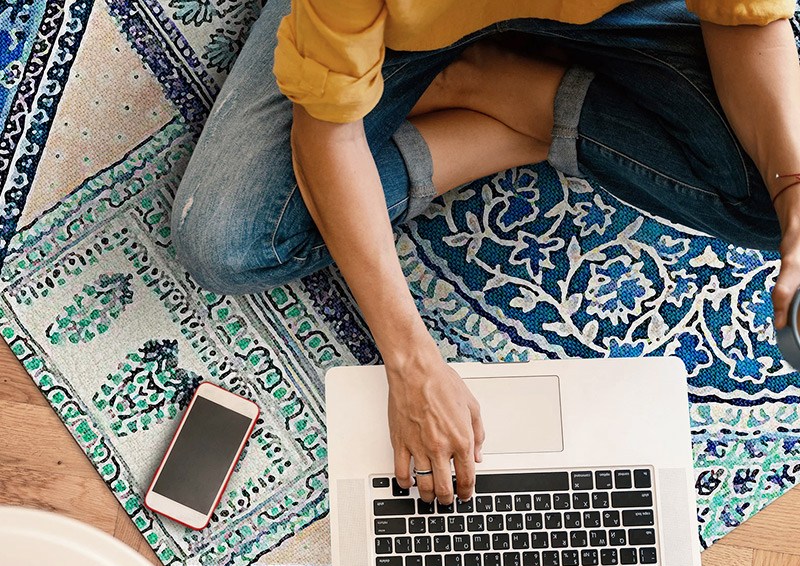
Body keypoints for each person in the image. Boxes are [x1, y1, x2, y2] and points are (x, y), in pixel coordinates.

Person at [171, 0, 800, 510]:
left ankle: (506, 90)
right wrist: (412, 364)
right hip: (395, 30)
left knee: (771, 194)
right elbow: (327, 132)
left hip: (624, 12)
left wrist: (795, 194)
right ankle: (519, 102)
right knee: (227, 243)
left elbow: (748, 24)